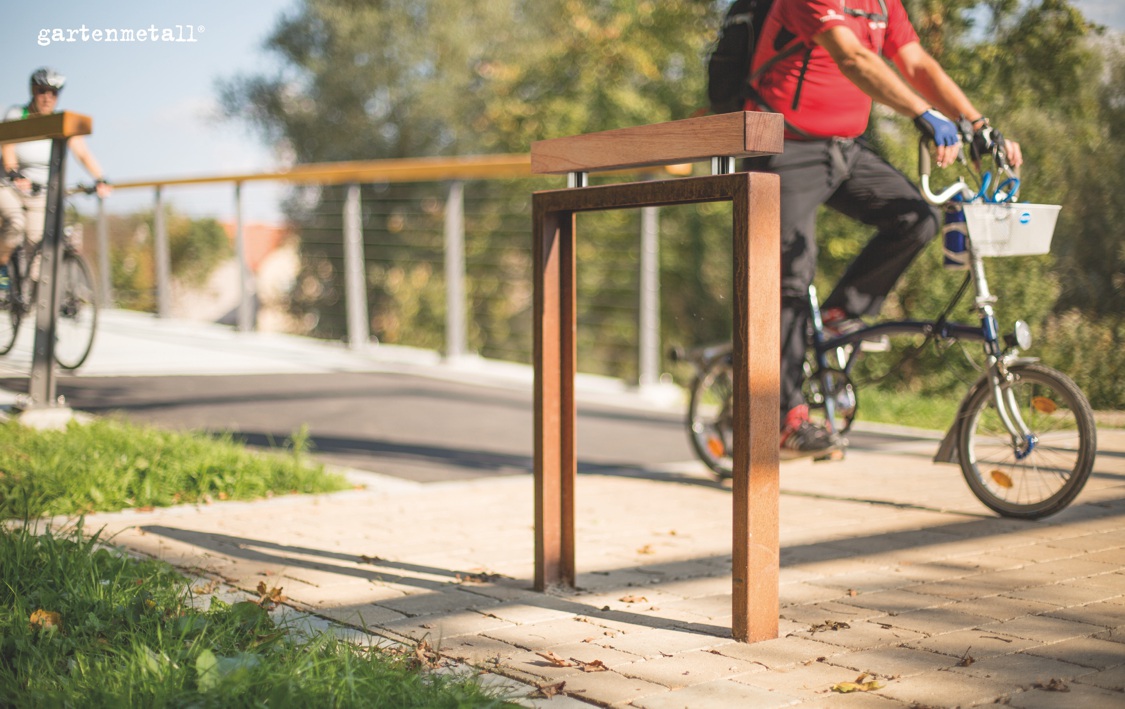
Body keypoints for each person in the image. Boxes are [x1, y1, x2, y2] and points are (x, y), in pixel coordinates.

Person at [742, 0, 1022, 458]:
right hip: (783, 143)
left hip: (845, 147)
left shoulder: (881, 4)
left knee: (917, 218)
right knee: (789, 277)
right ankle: (784, 421)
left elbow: (914, 61)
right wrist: (922, 113)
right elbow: (853, 57)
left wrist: (976, 123)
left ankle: (838, 314)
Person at [0, 67, 111, 294]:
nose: (47, 97)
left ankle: (29, 296)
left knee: (38, 240)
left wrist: (101, 178)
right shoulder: (16, 114)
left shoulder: (60, 123)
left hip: (42, 191)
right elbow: (7, 146)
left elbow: (83, 153)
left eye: (54, 92)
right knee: (15, 225)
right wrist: (14, 173)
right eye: (42, 91)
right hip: (10, 185)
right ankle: (2, 271)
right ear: (33, 91)